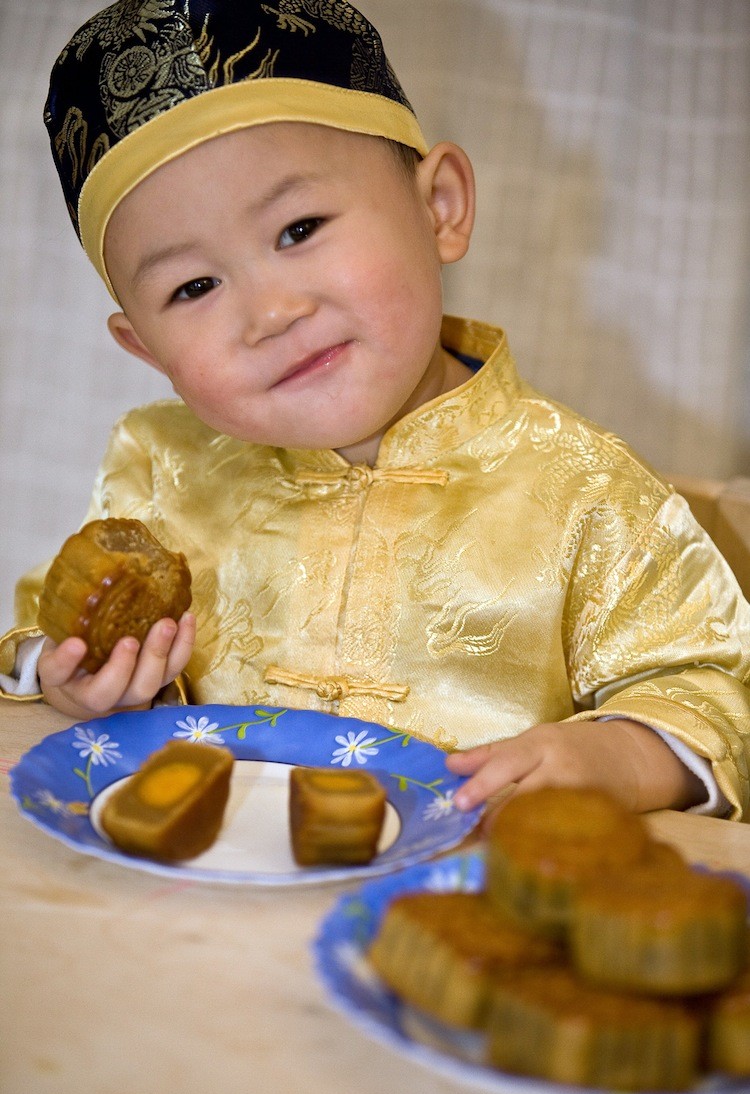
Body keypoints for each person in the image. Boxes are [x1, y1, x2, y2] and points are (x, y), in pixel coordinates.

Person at [1, 0, 749, 821]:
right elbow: (41, 627)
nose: (272, 311)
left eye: (299, 228)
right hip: (199, 902)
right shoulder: (157, 464)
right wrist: (72, 673)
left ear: (441, 208)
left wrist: (614, 756)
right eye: (194, 287)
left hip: (466, 919)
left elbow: (711, 688)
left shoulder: (591, 492)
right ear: (146, 349)